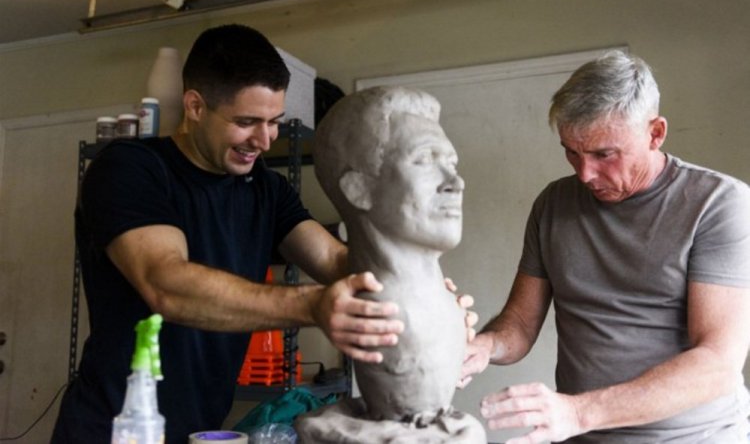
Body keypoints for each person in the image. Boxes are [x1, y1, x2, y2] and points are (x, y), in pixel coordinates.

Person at [51, 24, 405, 443]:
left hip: (199, 429)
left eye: (274, 122)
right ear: (195, 106)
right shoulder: (130, 168)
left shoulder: (266, 188)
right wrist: (314, 305)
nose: (264, 139)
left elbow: (333, 260)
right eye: (246, 121)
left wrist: (410, 279)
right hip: (111, 430)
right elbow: (166, 284)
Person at [461, 50, 750, 443]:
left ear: (655, 133)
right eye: (571, 152)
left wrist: (579, 412)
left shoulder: (718, 204)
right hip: (585, 434)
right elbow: (520, 325)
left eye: (604, 154)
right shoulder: (553, 204)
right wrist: (485, 346)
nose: (585, 174)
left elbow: (718, 362)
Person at [296, 86, 485, 443]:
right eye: (425, 160)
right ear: (359, 189)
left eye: (451, 163)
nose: (455, 182)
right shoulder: (386, 310)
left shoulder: (439, 307)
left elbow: (337, 258)